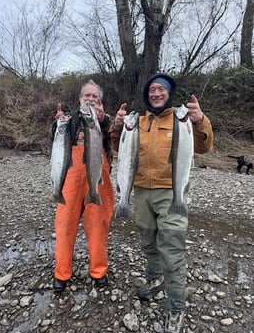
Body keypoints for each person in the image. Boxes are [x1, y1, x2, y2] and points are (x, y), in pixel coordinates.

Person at [111, 73, 213, 333]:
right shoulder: (139, 122)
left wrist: (201, 121)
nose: (156, 93)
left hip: (171, 194)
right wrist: (118, 126)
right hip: (142, 193)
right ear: (147, 95)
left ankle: (176, 307)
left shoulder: (183, 121)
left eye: (161, 90)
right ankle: (155, 281)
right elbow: (118, 148)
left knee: (172, 251)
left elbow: (204, 147)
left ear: (168, 94)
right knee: (149, 243)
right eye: (152, 90)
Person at [52, 79, 114, 292]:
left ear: (100, 101)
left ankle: (98, 272)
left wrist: (103, 120)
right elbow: (57, 142)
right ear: (80, 99)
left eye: (94, 96)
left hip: (97, 178)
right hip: (71, 178)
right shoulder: (69, 119)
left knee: (98, 225)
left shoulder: (106, 120)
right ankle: (61, 273)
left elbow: (117, 134)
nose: (90, 99)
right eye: (87, 95)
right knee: (64, 225)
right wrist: (57, 123)